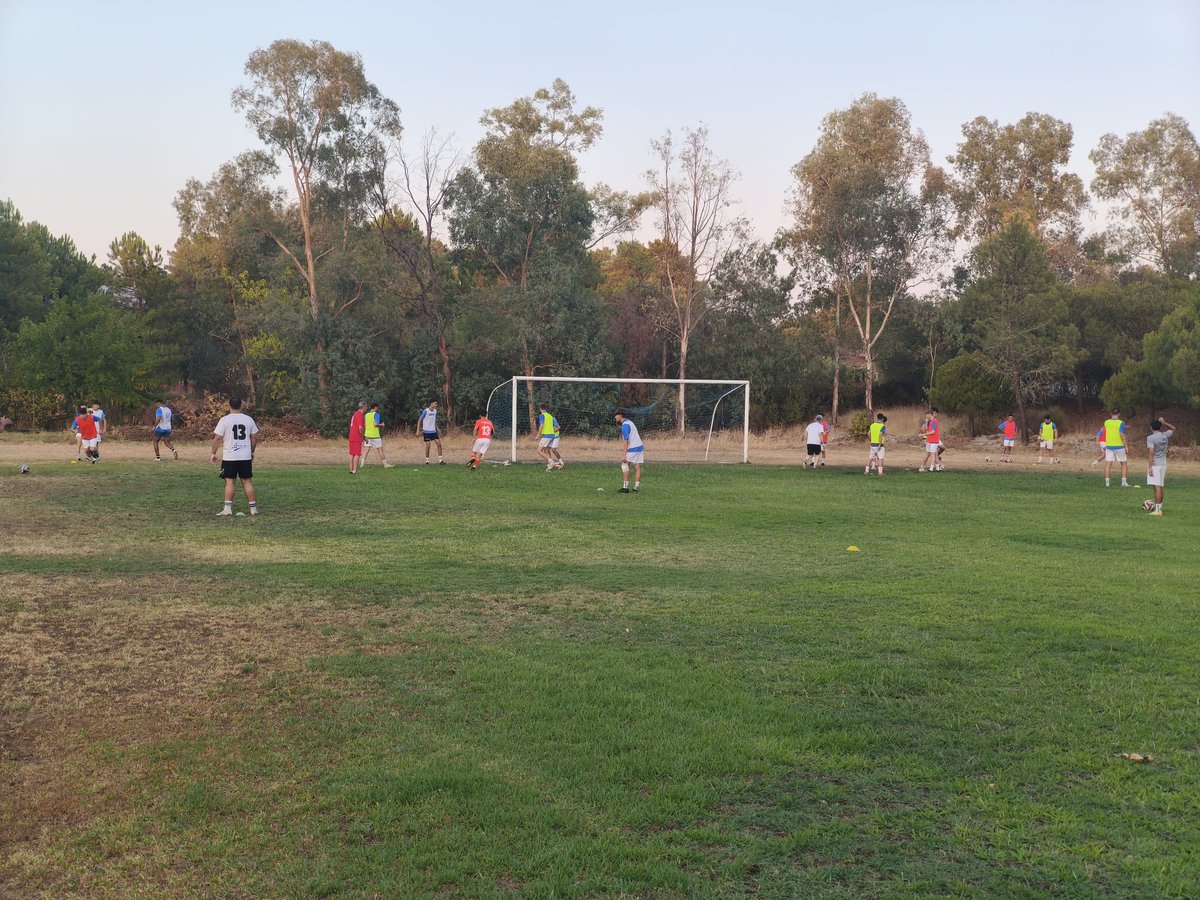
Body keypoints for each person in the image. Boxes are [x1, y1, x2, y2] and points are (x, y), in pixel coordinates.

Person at [211, 397, 259, 516]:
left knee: (229, 482)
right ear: (241, 406)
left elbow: (217, 438)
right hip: (245, 456)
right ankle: (253, 509)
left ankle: (227, 509)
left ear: (229, 406)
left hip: (230, 457)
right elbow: (254, 438)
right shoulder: (248, 419)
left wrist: (213, 453)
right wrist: (252, 451)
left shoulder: (224, 420)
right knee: (247, 481)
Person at [1145, 417, 1175, 516]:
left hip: (1155, 465)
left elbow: (1151, 452)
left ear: (1150, 427)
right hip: (1163, 464)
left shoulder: (1150, 438)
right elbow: (1173, 429)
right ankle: (1158, 508)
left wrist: (1149, 467)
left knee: (1157, 487)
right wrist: (1165, 422)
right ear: (1160, 426)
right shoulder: (1165, 435)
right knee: (1160, 486)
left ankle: (1158, 511)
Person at [614, 411, 644, 492]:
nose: (615, 417)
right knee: (636, 466)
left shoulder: (625, 425)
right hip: (640, 447)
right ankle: (636, 487)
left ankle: (625, 488)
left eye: (615, 415)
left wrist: (624, 455)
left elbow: (625, 441)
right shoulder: (630, 422)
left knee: (624, 465)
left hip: (633, 448)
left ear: (620, 415)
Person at [1100, 408, 1130, 487]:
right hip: (1119, 446)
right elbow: (1122, 435)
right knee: (1124, 463)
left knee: (1108, 464)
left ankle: (1107, 483)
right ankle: (1123, 482)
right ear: (1119, 414)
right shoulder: (1121, 423)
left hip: (1109, 446)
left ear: (1111, 413)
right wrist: (1126, 446)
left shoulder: (1106, 422)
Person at [362, 402, 395, 468]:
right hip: (375, 435)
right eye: (377, 407)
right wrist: (382, 425)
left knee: (366, 450)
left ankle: (361, 465)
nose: (378, 409)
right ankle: (386, 465)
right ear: (375, 407)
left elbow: (365, 425)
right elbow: (375, 424)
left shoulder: (366, 415)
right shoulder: (376, 414)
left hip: (367, 435)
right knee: (380, 449)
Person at [535, 404, 560, 471]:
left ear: (540, 409)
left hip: (547, 435)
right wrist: (541, 435)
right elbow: (548, 427)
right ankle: (553, 464)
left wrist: (538, 434)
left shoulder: (542, 415)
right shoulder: (550, 416)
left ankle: (551, 462)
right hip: (552, 435)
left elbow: (542, 425)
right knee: (546, 450)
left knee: (539, 450)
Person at [347, 401, 366, 474]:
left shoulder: (355, 414)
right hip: (356, 436)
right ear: (364, 407)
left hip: (351, 436)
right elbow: (360, 427)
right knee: (357, 454)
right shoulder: (360, 415)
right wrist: (363, 435)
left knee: (352, 453)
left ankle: (351, 470)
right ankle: (355, 470)